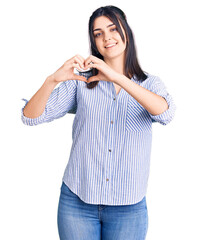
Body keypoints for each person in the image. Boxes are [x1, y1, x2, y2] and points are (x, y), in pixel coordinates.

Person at [21, 5, 176, 240]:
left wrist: (117, 77)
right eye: (98, 33)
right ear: (94, 41)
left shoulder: (150, 84)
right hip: (77, 202)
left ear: (126, 31)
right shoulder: (81, 82)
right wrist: (52, 80)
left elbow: (165, 114)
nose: (107, 37)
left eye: (113, 29)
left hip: (128, 207)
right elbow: (30, 117)